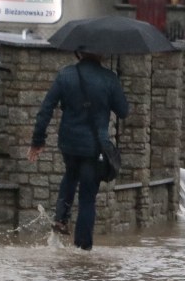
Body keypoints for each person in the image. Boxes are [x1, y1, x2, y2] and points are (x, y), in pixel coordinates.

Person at [28, 50, 130, 250]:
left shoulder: (65, 75)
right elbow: (123, 111)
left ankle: (61, 218)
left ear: (80, 52)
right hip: (94, 146)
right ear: (101, 54)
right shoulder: (109, 79)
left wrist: (37, 140)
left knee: (71, 173)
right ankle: (82, 251)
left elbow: (46, 108)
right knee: (87, 197)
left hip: (69, 142)